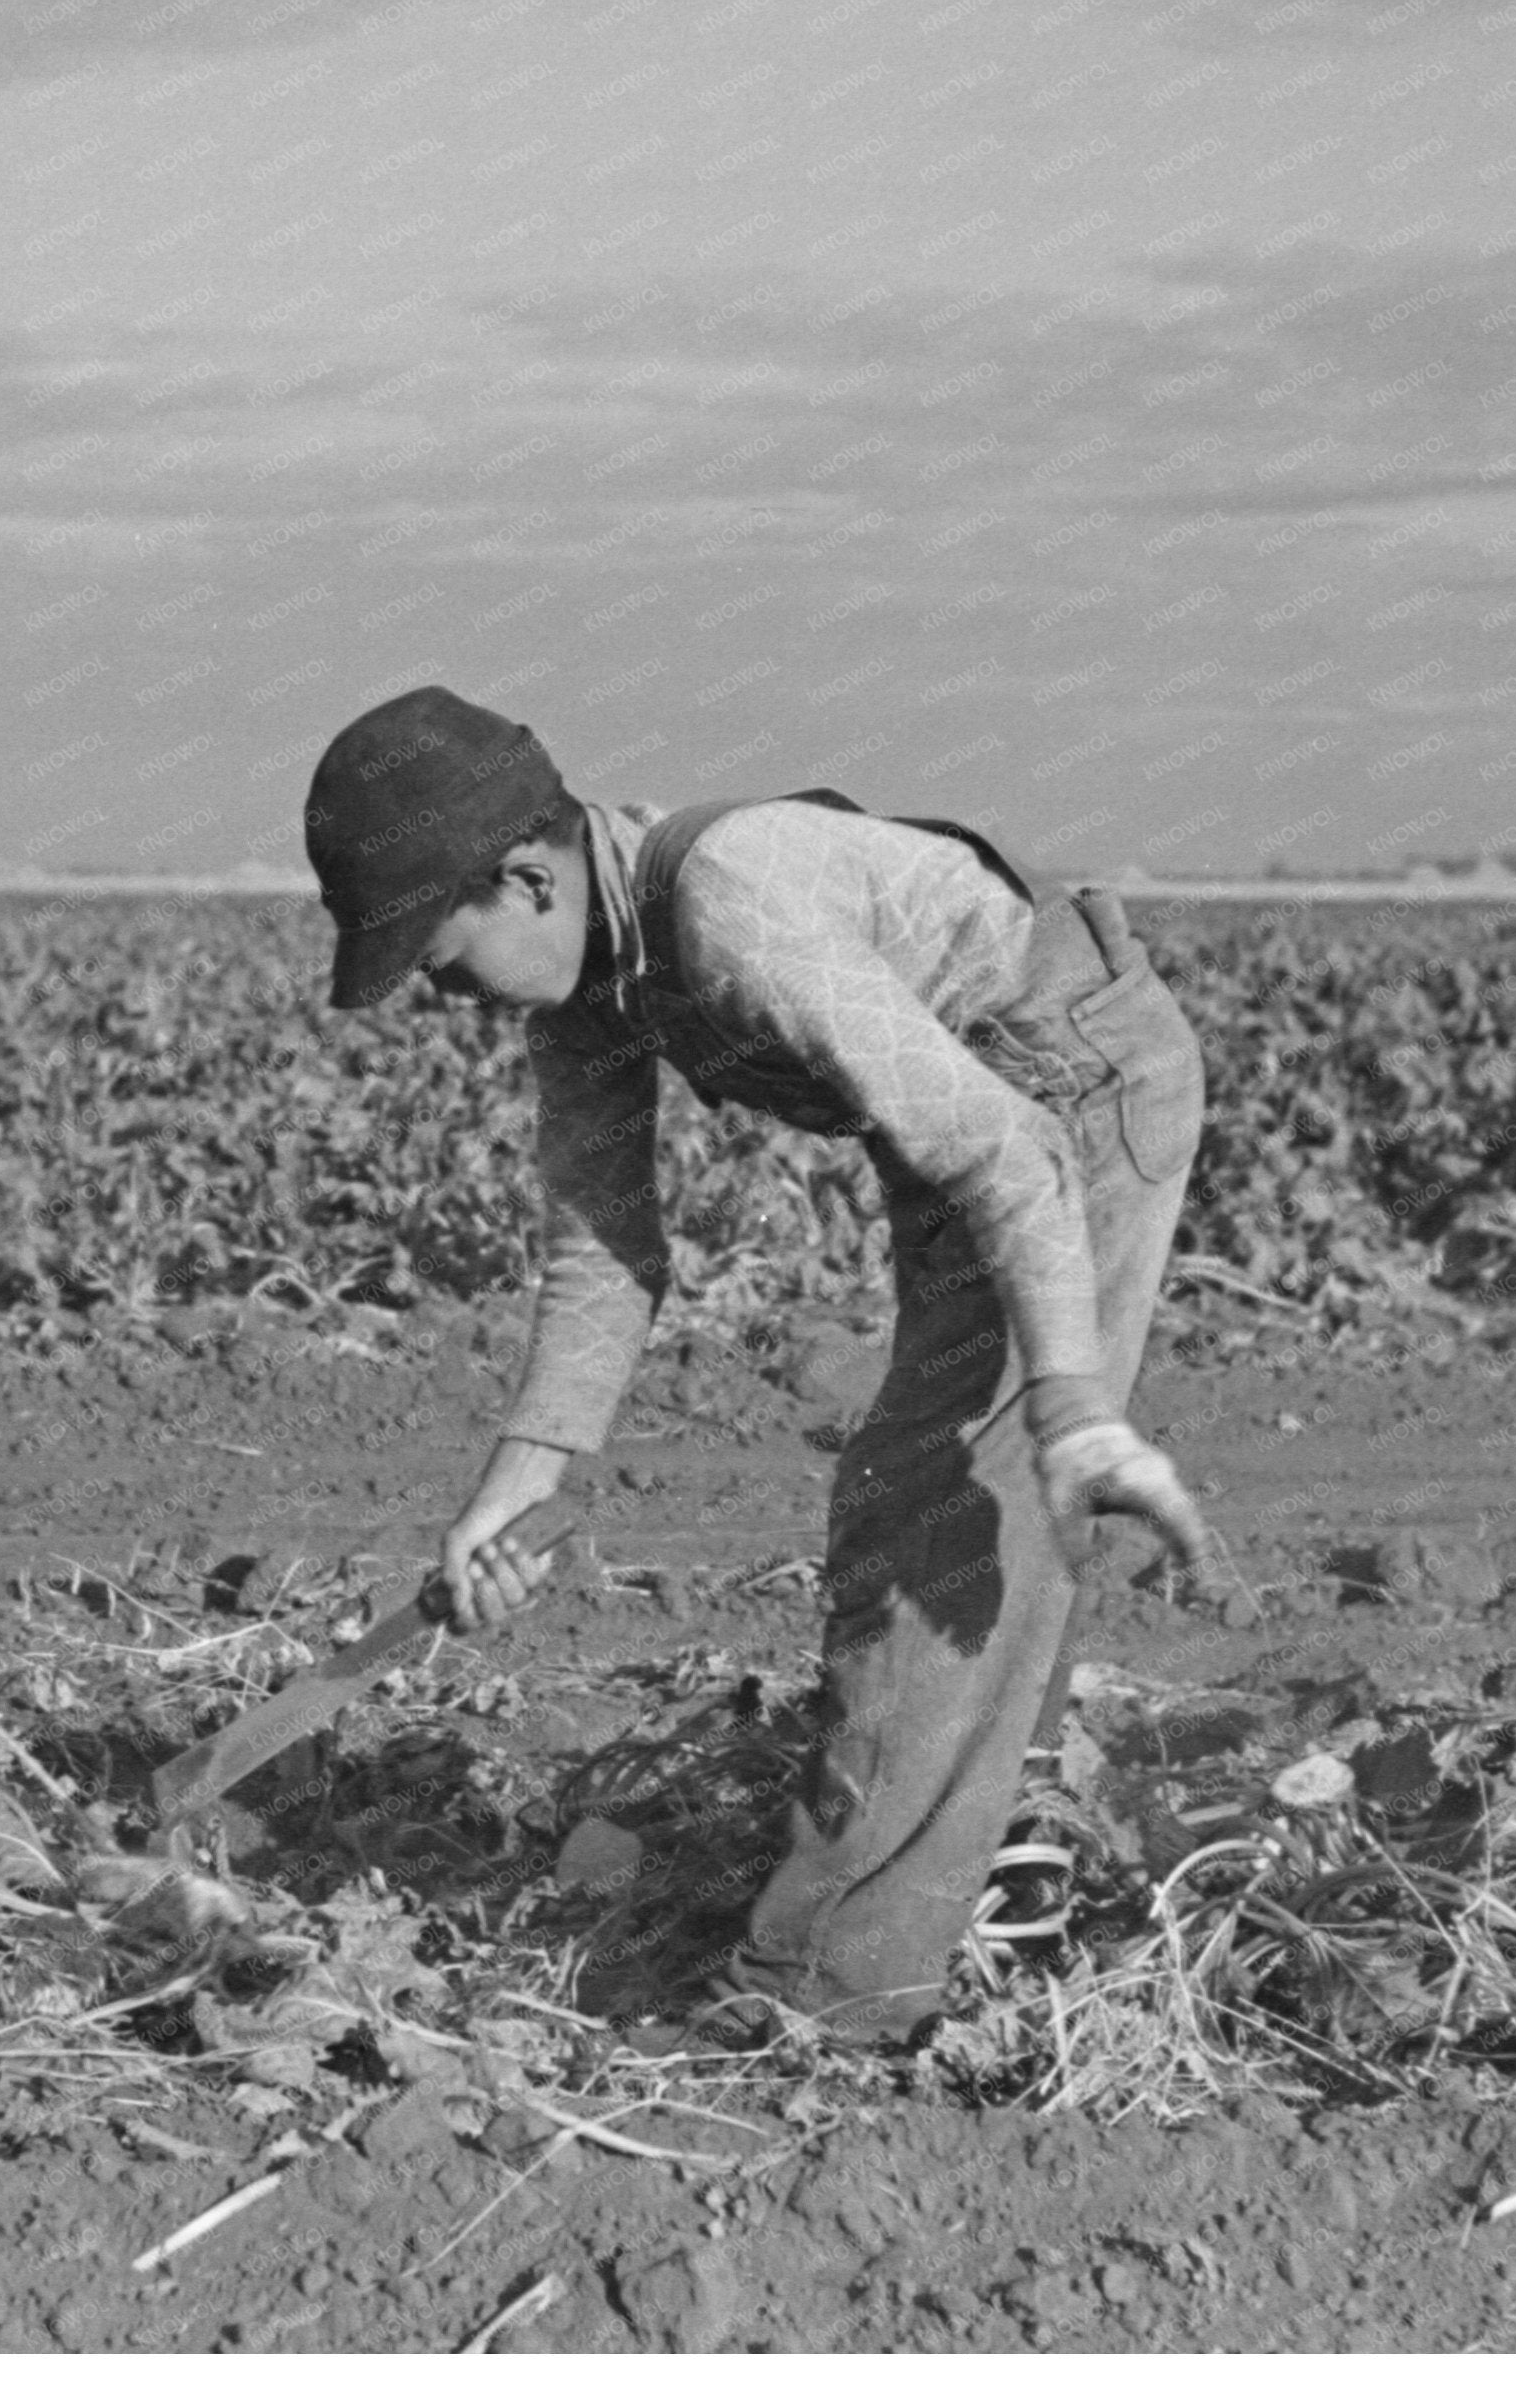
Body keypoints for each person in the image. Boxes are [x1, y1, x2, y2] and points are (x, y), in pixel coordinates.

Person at [301, 684, 1237, 2045]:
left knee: (930, 1507)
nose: (442, 994)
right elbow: (603, 1248)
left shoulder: (730, 905)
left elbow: (1014, 1149)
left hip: (1065, 1093)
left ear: (525, 877)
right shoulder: (589, 990)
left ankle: (833, 1995)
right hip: (973, 1119)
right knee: (951, 1501)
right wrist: (518, 1479)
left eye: (441, 956)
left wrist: (1073, 1399)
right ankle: (992, 1860)